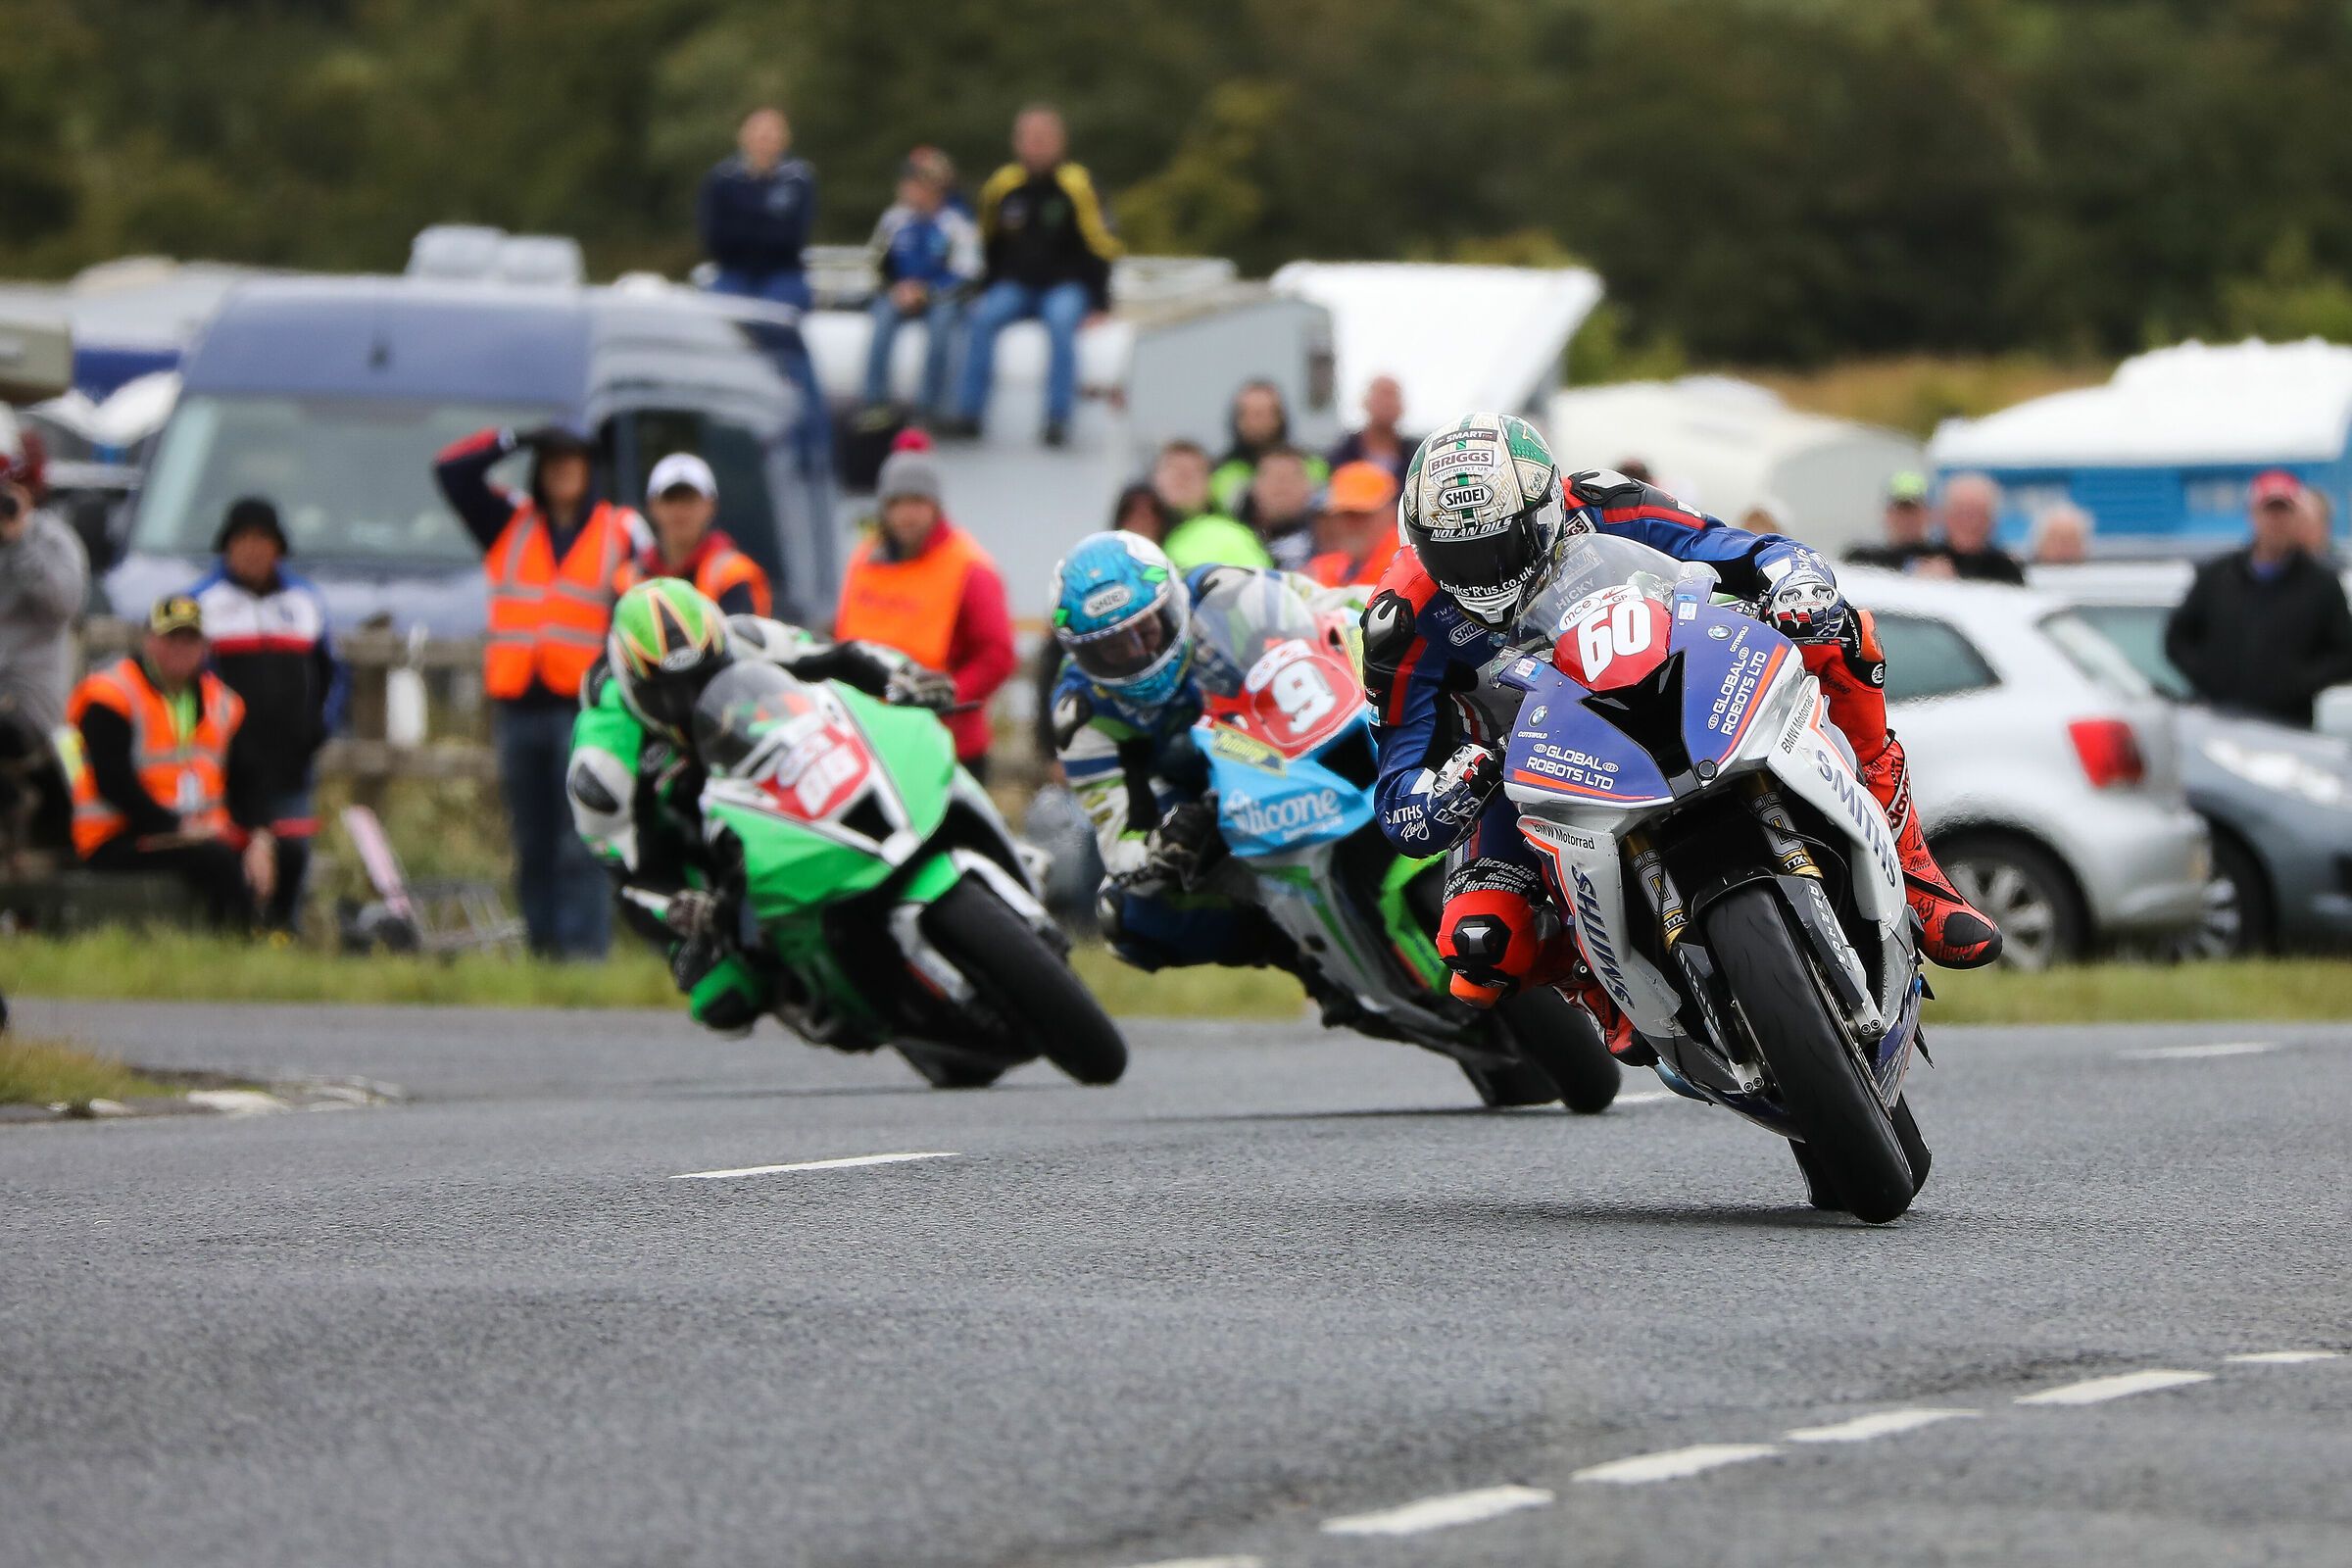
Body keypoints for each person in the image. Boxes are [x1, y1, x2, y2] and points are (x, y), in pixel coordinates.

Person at [1363, 413, 2003, 1055]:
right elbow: (1397, 795)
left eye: (1502, 545)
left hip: (1674, 684)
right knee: (1479, 944)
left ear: (1547, 506)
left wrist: (1794, 583)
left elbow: (1742, 549)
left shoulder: (1608, 503)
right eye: (1457, 556)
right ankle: (1592, 981)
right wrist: (1447, 794)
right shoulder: (1399, 619)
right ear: (1419, 542)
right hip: (1521, 766)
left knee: (1846, 633)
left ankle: (1915, 871)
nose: (1484, 572)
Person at [569, 581, 957, 1031]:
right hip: (694, 851)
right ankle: (815, 988)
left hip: (780, 769)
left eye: (706, 677)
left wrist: (903, 677)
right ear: (633, 685)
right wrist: (678, 908)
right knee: (723, 998)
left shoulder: (742, 638)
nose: (692, 700)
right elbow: (628, 877)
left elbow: (839, 657)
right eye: (671, 692)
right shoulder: (601, 764)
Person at [1046, 531, 1360, 1004]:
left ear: (1172, 604)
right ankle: (1301, 956)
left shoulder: (1226, 591)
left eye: (1146, 631)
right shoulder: (1082, 714)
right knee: (1126, 916)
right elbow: (1118, 841)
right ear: (1080, 654)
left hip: (1296, 726)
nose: (1139, 654)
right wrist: (1165, 845)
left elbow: (1339, 606)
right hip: (1200, 804)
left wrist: (1388, 626)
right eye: (1113, 648)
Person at [435, 421, 644, 958]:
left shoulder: (620, 530)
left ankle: (583, 961)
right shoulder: (510, 522)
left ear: (591, 469)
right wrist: (511, 439)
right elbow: (451, 471)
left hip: (584, 711)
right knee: (531, 844)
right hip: (518, 710)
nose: (563, 469)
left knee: (580, 842)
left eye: (574, 460)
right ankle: (545, 958)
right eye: (552, 459)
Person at [187, 498, 346, 931]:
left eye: (263, 539)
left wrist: (320, 725)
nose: (254, 550)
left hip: (292, 758)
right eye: (244, 540)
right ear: (226, 546)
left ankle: (283, 935)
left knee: (293, 851)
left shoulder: (304, 601)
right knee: (232, 851)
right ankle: (231, 933)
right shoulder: (203, 603)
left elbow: (333, 673)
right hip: (227, 762)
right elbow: (189, 680)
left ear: (278, 547)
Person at [63, 596, 270, 926]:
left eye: (190, 639)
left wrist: (260, 838)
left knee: (286, 853)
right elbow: (113, 782)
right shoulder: (110, 694)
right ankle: (240, 941)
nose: (181, 648)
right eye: (171, 638)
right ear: (148, 641)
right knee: (215, 858)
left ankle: (280, 935)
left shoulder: (223, 702)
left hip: (195, 833)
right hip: (119, 837)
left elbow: (248, 779)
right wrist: (176, 828)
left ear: (205, 647)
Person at [833, 451, 1015, 778]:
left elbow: (997, 655)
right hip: (871, 742)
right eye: (897, 502)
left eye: (917, 501)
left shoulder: (970, 569)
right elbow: (844, 641)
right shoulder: (864, 560)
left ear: (936, 506)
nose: (907, 514)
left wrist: (946, 697)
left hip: (947, 746)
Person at [950, 106, 1122, 447]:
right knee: (981, 319)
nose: (1038, 146)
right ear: (1017, 143)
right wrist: (985, 287)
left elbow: (1103, 245)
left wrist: (1100, 302)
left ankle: (1057, 418)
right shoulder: (1003, 185)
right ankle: (969, 413)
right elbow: (987, 243)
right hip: (1016, 285)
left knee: (1061, 325)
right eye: (1031, 138)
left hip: (1065, 285)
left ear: (1061, 142)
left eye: (1045, 138)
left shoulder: (1078, 184)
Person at [2165, 469, 2352, 728]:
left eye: (2284, 511)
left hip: (2289, 724)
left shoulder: (2321, 585)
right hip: (2221, 721)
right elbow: (2178, 639)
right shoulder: (2218, 577)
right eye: (2269, 511)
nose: (2276, 521)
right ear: (2252, 514)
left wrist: (2299, 682)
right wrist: (2211, 677)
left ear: (2297, 517)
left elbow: (2344, 654)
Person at [0, 416, 87, 855]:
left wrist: (19, 543)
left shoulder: (53, 540)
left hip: (31, 704)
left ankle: (20, 805)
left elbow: (64, 603)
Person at [862, 149, 982, 417]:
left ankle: (930, 406)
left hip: (942, 296)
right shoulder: (893, 219)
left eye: (918, 182)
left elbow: (968, 271)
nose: (909, 188)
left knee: (942, 329)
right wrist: (897, 288)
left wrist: (927, 291)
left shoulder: (957, 222)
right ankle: (874, 401)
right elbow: (877, 265)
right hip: (901, 293)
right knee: (881, 319)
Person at [612, 453, 771, 616]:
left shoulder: (733, 575)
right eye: (670, 498)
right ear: (652, 506)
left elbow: (743, 640)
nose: (679, 509)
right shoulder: (628, 580)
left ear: (711, 505)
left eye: (689, 498)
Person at [698, 107, 818, 311]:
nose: (764, 142)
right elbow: (714, 235)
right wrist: (766, 221)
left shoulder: (799, 180)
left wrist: (747, 223)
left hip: (783, 272)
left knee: (778, 313)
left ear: (784, 140)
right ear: (743, 137)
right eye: (759, 135)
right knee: (721, 314)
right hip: (733, 271)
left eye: (771, 136)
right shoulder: (722, 179)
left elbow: (794, 237)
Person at [1212, 379, 1326, 515]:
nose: (1255, 422)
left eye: (1262, 413)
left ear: (1280, 417)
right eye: (1247, 414)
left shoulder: (1312, 464)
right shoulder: (1221, 471)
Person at [1152, 440, 1268, 570]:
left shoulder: (1231, 537)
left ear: (1210, 483)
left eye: (1194, 472)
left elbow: (1259, 585)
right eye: (1173, 469)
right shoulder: (1132, 533)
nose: (1183, 478)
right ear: (1155, 477)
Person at [1916, 473, 2026, 584]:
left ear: (1991, 521)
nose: (1969, 523)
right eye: (1961, 513)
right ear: (1945, 516)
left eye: (1978, 514)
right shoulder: (1923, 559)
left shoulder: (2006, 569)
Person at [1305, 461, 1401, 588]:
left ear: (1390, 513)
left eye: (1361, 515)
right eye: (1343, 515)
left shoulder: (1404, 564)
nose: (1350, 525)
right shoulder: (1328, 566)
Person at [1326, 374, 1420, 483]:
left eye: (1392, 395)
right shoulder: (1341, 454)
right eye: (1381, 395)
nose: (1387, 403)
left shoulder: (1417, 456)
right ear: (1365, 401)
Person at [1239, 446, 1318, 570]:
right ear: (1254, 488)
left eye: (1292, 476)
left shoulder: (1326, 546)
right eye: (1272, 476)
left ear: (1310, 489)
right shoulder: (1234, 542)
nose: (1282, 484)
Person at [1844, 470, 1936, 570]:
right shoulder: (1862, 558)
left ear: (1928, 514)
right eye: (1899, 511)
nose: (1906, 519)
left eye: (1913, 511)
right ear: (1887, 514)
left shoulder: (1942, 559)